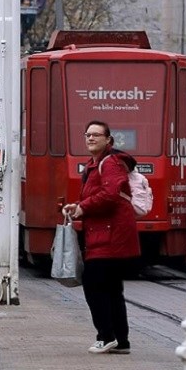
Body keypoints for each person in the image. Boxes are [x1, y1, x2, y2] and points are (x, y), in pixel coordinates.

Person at [62, 120, 140, 355]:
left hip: (110, 236)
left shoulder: (111, 163)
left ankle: (105, 335)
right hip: (104, 233)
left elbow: (111, 194)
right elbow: (102, 195)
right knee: (112, 288)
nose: (91, 138)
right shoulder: (94, 165)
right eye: (88, 135)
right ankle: (120, 341)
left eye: (96, 135)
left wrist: (83, 208)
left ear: (109, 140)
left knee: (94, 284)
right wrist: (78, 206)